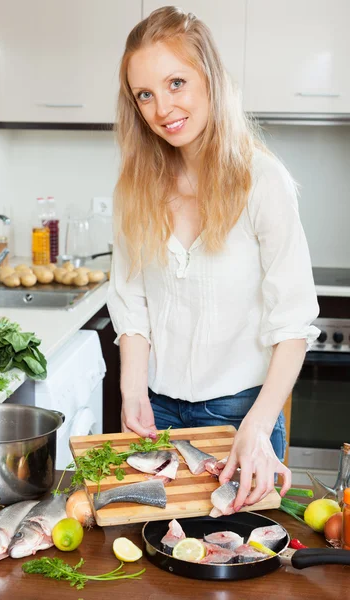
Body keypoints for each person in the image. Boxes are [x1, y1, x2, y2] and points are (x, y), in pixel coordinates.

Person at [107, 6, 319, 510]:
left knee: (236, 562)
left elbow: (293, 324)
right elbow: (130, 299)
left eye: (176, 82)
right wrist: (133, 390)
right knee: (155, 561)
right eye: (146, 94)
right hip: (157, 407)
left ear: (211, 79)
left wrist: (258, 425)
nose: (163, 108)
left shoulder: (262, 182)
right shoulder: (134, 188)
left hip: (242, 412)